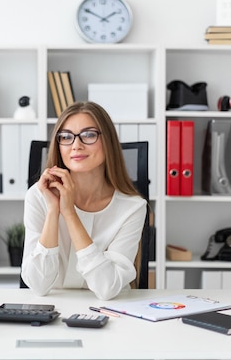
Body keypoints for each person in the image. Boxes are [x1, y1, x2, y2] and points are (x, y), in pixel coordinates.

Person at [20, 101, 147, 300]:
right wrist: (54, 210)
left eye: (89, 135)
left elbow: (107, 289)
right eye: (66, 137)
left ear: (109, 142)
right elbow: (38, 285)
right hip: (54, 311)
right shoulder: (38, 196)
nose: (76, 145)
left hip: (112, 314)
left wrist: (69, 213)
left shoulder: (132, 208)